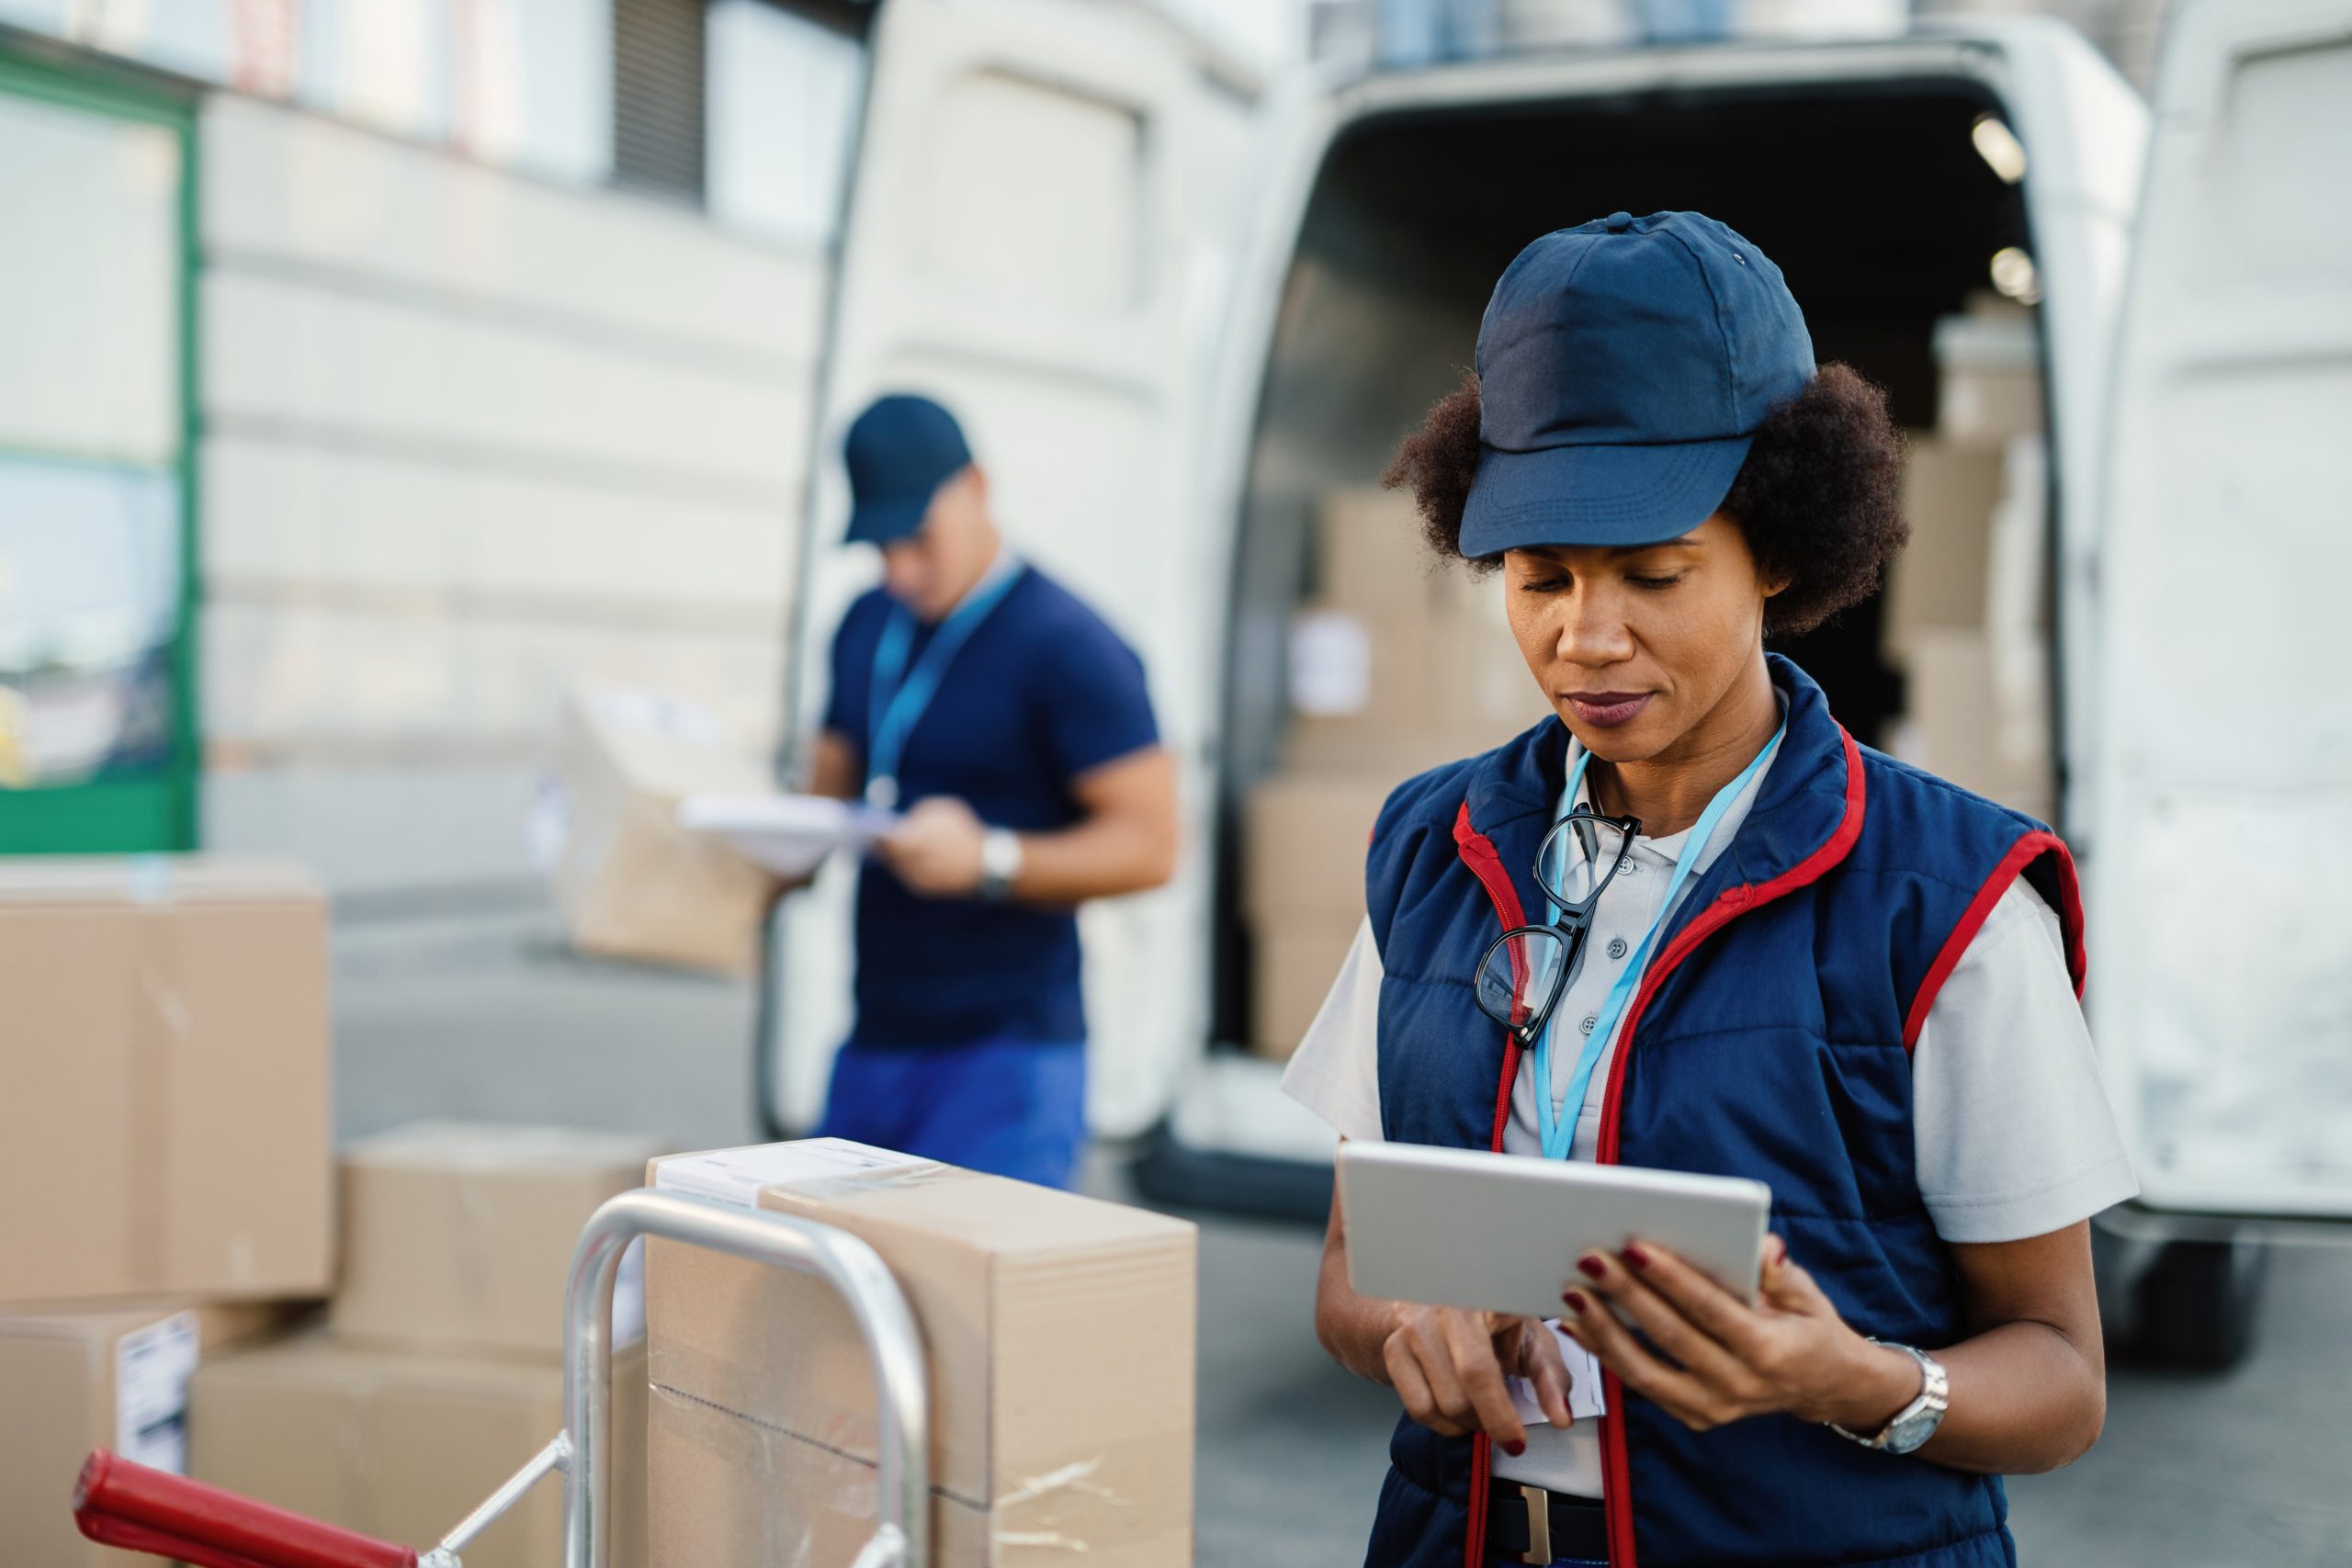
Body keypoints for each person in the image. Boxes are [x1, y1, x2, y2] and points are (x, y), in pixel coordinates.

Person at [1280, 212, 2136, 1567]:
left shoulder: (1948, 901)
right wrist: (1409, 1326)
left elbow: (2063, 1379)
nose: (1586, 634)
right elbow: (1346, 1270)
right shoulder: (1434, 846)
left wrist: (1846, 1376)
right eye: (1539, 576)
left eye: (1656, 573)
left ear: (1781, 549)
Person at [798, 393, 1177, 1190]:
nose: (900, 568)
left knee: (976, 1311)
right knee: (829, 1298)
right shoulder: (864, 624)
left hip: (1007, 1058)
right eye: (881, 546)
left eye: (918, 538)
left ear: (976, 486)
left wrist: (991, 859)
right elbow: (823, 788)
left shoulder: (1071, 645)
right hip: (875, 1038)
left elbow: (1152, 846)